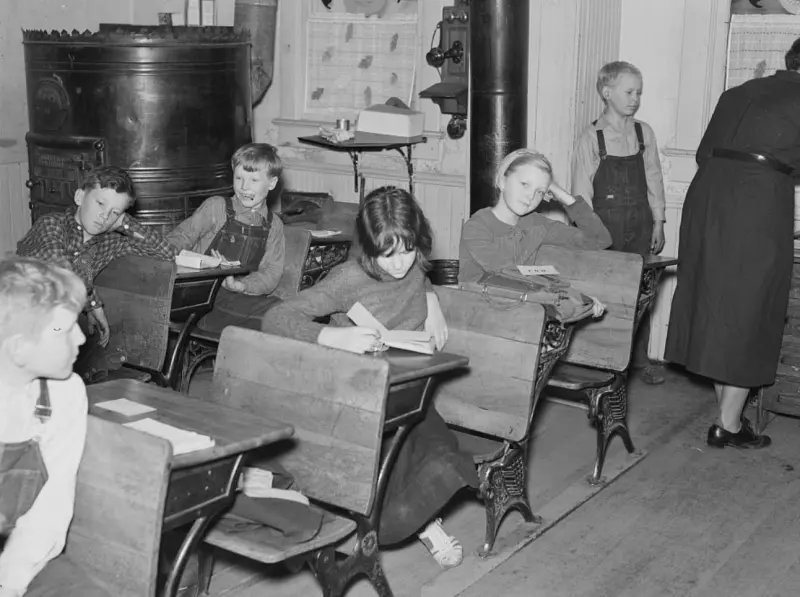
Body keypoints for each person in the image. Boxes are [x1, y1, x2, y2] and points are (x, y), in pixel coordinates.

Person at [262, 186, 471, 568]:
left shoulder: (414, 266)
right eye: (386, 254)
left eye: (407, 250)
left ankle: (422, 518)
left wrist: (432, 302)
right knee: (398, 449)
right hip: (353, 397)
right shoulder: (349, 278)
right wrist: (332, 336)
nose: (399, 264)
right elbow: (276, 318)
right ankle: (419, 522)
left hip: (404, 389)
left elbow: (418, 278)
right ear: (369, 247)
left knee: (437, 448)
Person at [665, 39, 800, 449]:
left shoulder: (739, 91)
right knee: (753, 306)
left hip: (707, 197)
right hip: (757, 198)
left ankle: (729, 416)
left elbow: (704, 152)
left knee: (715, 301)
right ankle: (728, 423)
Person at [0, 258, 106, 597]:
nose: (81, 337)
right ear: (19, 348)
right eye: (63, 329)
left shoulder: (65, 393)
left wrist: (12, 581)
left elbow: (50, 507)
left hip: (20, 557)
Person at [16, 166, 179, 383]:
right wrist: (93, 303)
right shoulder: (51, 225)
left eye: (114, 212)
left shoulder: (109, 242)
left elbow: (167, 252)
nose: (104, 216)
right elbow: (63, 274)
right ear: (79, 197)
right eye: (100, 203)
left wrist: (124, 223)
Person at [571, 61, 667, 385]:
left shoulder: (644, 133)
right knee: (607, 293)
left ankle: (639, 362)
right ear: (606, 92)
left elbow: (654, 178)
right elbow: (580, 193)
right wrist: (588, 235)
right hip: (605, 226)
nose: (635, 99)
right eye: (629, 92)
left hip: (641, 223)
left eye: (639, 92)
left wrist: (659, 221)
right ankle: (603, 364)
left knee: (641, 293)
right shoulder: (591, 137)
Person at [168, 143, 286, 333]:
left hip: (241, 297)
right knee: (278, 317)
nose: (244, 186)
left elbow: (271, 272)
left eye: (254, 180)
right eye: (239, 178)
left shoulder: (274, 225)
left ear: (272, 183)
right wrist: (176, 258)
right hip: (200, 300)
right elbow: (180, 237)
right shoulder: (216, 207)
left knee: (285, 310)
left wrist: (242, 285)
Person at [458, 148, 612, 284]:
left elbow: (600, 240)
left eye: (540, 191)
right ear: (502, 181)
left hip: (524, 303)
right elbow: (506, 273)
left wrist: (564, 197)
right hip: (477, 305)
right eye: (524, 184)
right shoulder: (477, 226)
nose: (530, 196)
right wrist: (566, 293)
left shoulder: (537, 225)